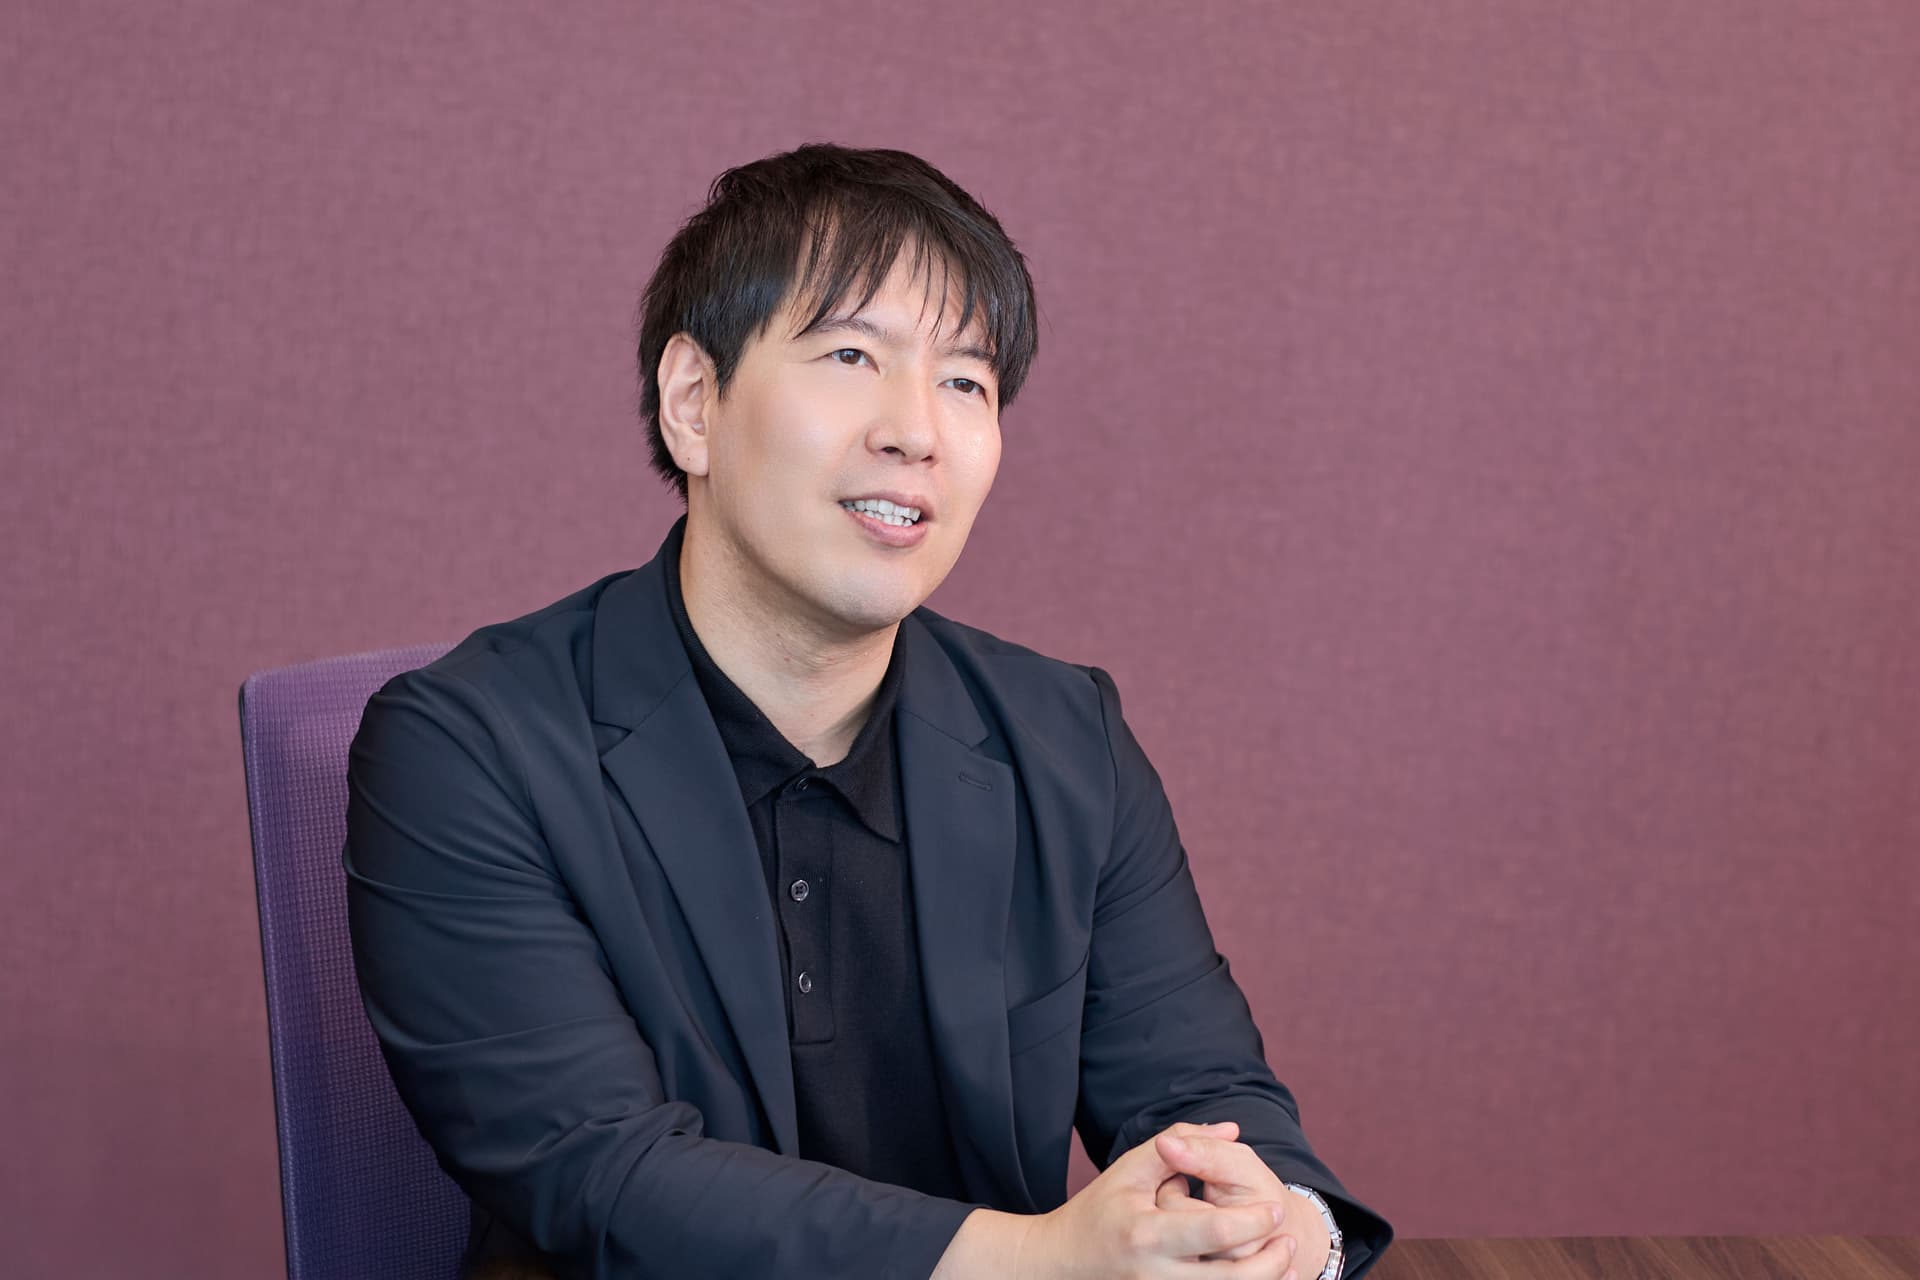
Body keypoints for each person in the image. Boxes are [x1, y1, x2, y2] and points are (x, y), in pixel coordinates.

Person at [344, 142, 1393, 1280]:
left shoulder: (1062, 734)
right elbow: (603, 1174)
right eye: (852, 354)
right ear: (694, 402)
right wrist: (1042, 1260)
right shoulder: (469, 747)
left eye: (966, 380)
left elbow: (1203, 1091)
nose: (918, 430)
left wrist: (1277, 1227)